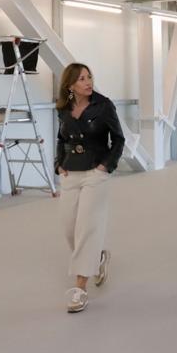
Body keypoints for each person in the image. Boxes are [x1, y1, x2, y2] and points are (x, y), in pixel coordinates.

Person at [55, 63, 125, 314]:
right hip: (70, 172)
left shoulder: (104, 105)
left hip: (95, 172)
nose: (88, 82)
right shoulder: (63, 107)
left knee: (86, 227)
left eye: (89, 77)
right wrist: (58, 164)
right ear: (70, 85)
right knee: (69, 228)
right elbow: (61, 138)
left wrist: (106, 166)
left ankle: (80, 288)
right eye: (81, 79)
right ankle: (98, 257)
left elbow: (119, 139)